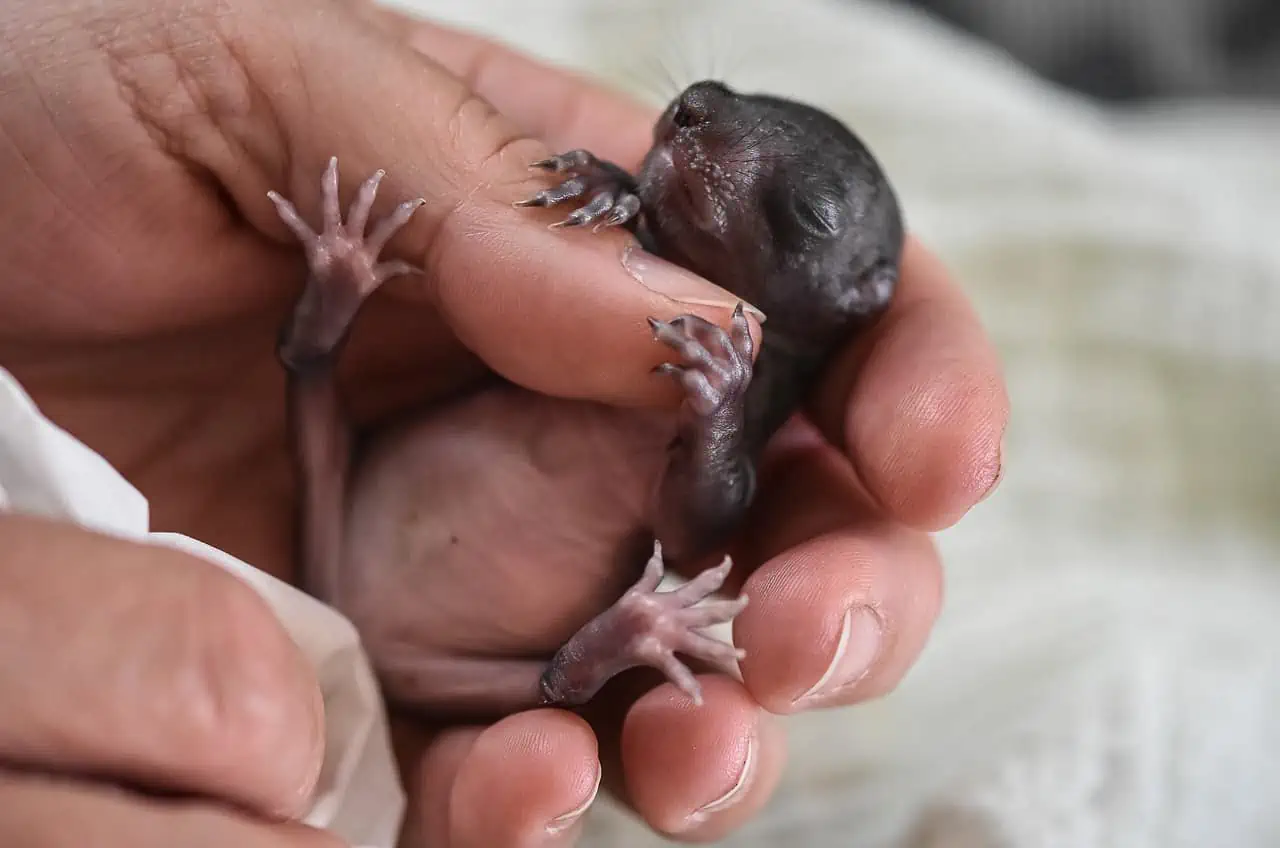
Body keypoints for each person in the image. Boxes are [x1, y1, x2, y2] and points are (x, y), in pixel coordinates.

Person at [0, 0, 1009, 843]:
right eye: (708, 110)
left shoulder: (737, 405)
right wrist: (580, 194)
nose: (698, 130)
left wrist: (709, 418)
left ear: (853, 293)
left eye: (803, 215)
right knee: (316, 404)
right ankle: (336, 294)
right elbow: (585, 237)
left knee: (557, 697)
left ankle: (619, 634)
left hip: (440, 660)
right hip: (331, 510)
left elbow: (700, 529)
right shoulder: (639, 273)